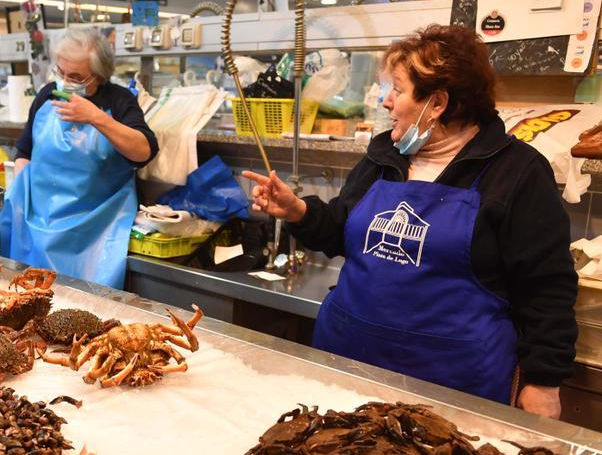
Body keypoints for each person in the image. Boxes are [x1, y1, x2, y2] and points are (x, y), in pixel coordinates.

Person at [247, 25, 577, 418]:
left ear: (436, 103)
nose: (386, 102)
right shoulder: (385, 156)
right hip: (348, 364)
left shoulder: (517, 172)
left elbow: (547, 287)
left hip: (452, 387)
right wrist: (299, 211)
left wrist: (543, 380)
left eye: (398, 90)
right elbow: (341, 229)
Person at [0, 27, 158, 289]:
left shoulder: (119, 100)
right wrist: (23, 200)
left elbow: (144, 152)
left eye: (75, 76)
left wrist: (95, 117)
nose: (64, 80)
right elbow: (24, 151)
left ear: (99, 76)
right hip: (37, 222)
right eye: (60, 71)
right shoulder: (47, 95)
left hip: (93, 228)